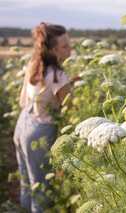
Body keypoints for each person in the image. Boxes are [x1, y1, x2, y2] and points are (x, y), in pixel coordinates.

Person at [13, 22, 81, 213]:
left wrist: (67, 84)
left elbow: (22, 101)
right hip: (40, 132)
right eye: (65, 46)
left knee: (28, 181)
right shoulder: (58, 75)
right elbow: (72, 108)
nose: (70, 49)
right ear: (52, 49)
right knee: (43, 187)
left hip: (22, 125)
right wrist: (98, 94)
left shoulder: (34, 62)